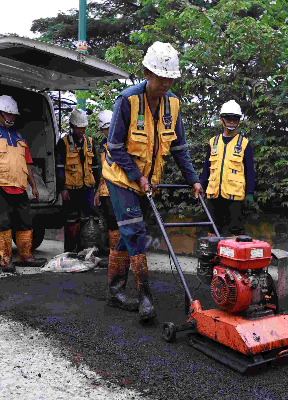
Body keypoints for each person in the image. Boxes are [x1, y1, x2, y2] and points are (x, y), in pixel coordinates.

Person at [102, 42, 204, 321]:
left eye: (170, 78)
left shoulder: (173, 104)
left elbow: (179, 148)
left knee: (129, 232)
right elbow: (115, 146)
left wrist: (193, 180)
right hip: (121, 178)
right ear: (147, 73)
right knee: (134, 231)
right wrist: (138, 177)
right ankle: (145, 295)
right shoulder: (128, 100)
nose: (166, 84)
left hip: (149, 181)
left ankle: (114, 290)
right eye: (161, 78)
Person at [0, 95, 47, 272]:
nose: (11, 118)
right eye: (8, 114)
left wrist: (33, 186)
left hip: (19, 186)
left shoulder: (20, 137)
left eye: (13, 115)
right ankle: (6, 260)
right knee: (2, 223)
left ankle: (25, 256)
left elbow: (27, 164)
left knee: (26, 222)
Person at [94, 110, 139, 310]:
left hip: (123, 191)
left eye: (109, 127)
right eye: (104, 129)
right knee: (113, 227)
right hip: (106, 192)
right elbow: (103, 171)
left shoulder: (124, 143)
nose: (107, 131)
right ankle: (116, 265)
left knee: (126, 229)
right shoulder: (102, 147)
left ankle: (123, 264)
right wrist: (97, 191)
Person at [200, 100, 255, 237]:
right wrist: (201, 186)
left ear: (238, 121)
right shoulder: (213, 142)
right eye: (228, 118)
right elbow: (207, 167)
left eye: (235, 118)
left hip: (234, 196)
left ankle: (233, 258)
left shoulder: (244, 143)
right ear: (221, 120)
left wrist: (250, 192)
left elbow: (250, 171)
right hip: (213, 194)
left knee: (235, 229)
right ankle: (211, 257)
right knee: (212, 229)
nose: (231, 121)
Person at [55, 108, 102, 253]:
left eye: (83, 127)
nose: (81, 130)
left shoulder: (90, 142)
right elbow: (59, 168)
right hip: (70, 189)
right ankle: (70, 251)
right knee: (71, 220)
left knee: (91, 218)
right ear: (72, 126)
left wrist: (98, 189)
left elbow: (95, 166)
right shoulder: (62, 143)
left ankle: (88, 250)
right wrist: (62, 188)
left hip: (88, 188)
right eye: (78, 127)